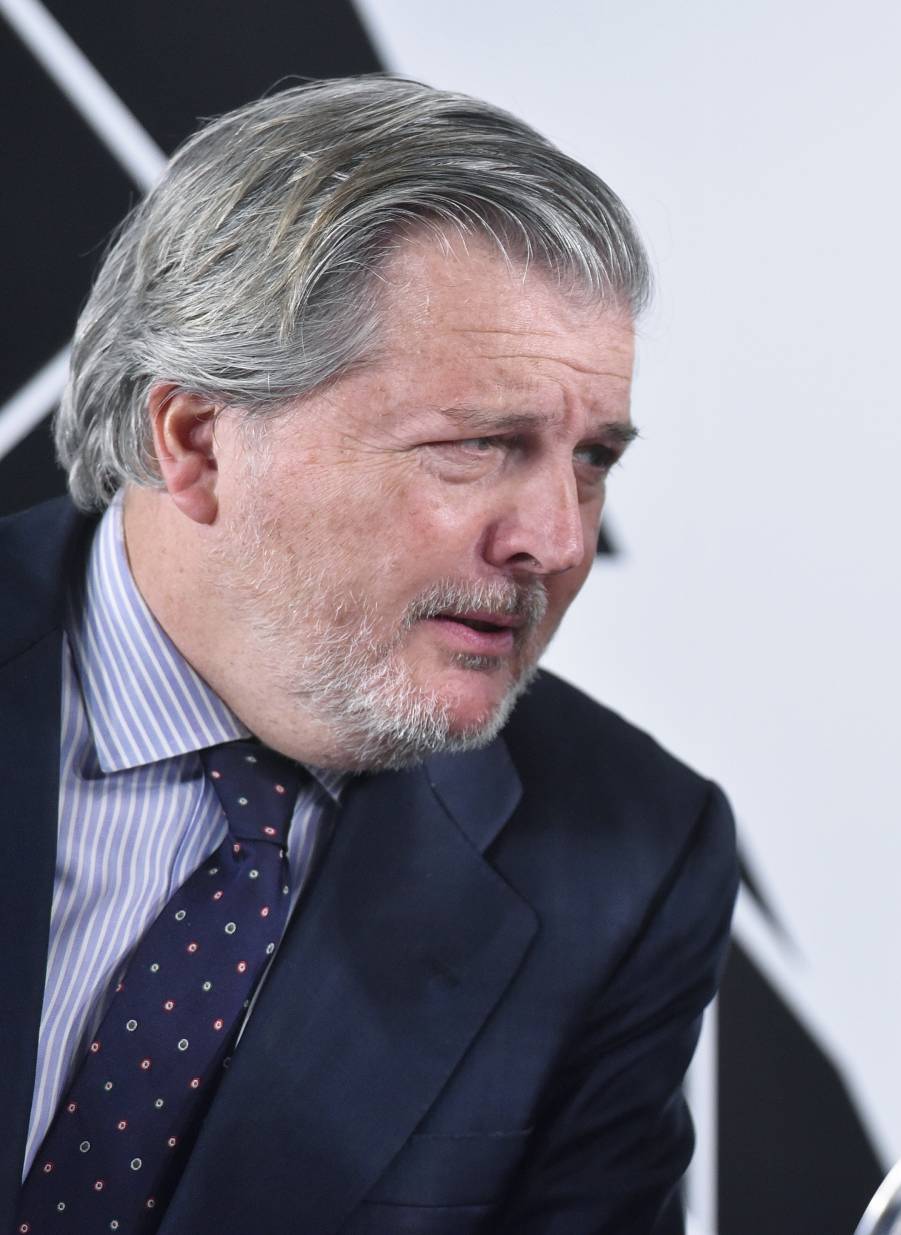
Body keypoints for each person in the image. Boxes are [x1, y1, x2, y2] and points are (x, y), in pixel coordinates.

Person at [0, 77, 736, 1234]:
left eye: (592, 460)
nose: (558, 538)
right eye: (478, 445)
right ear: (196, 442)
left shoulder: (626, 852)